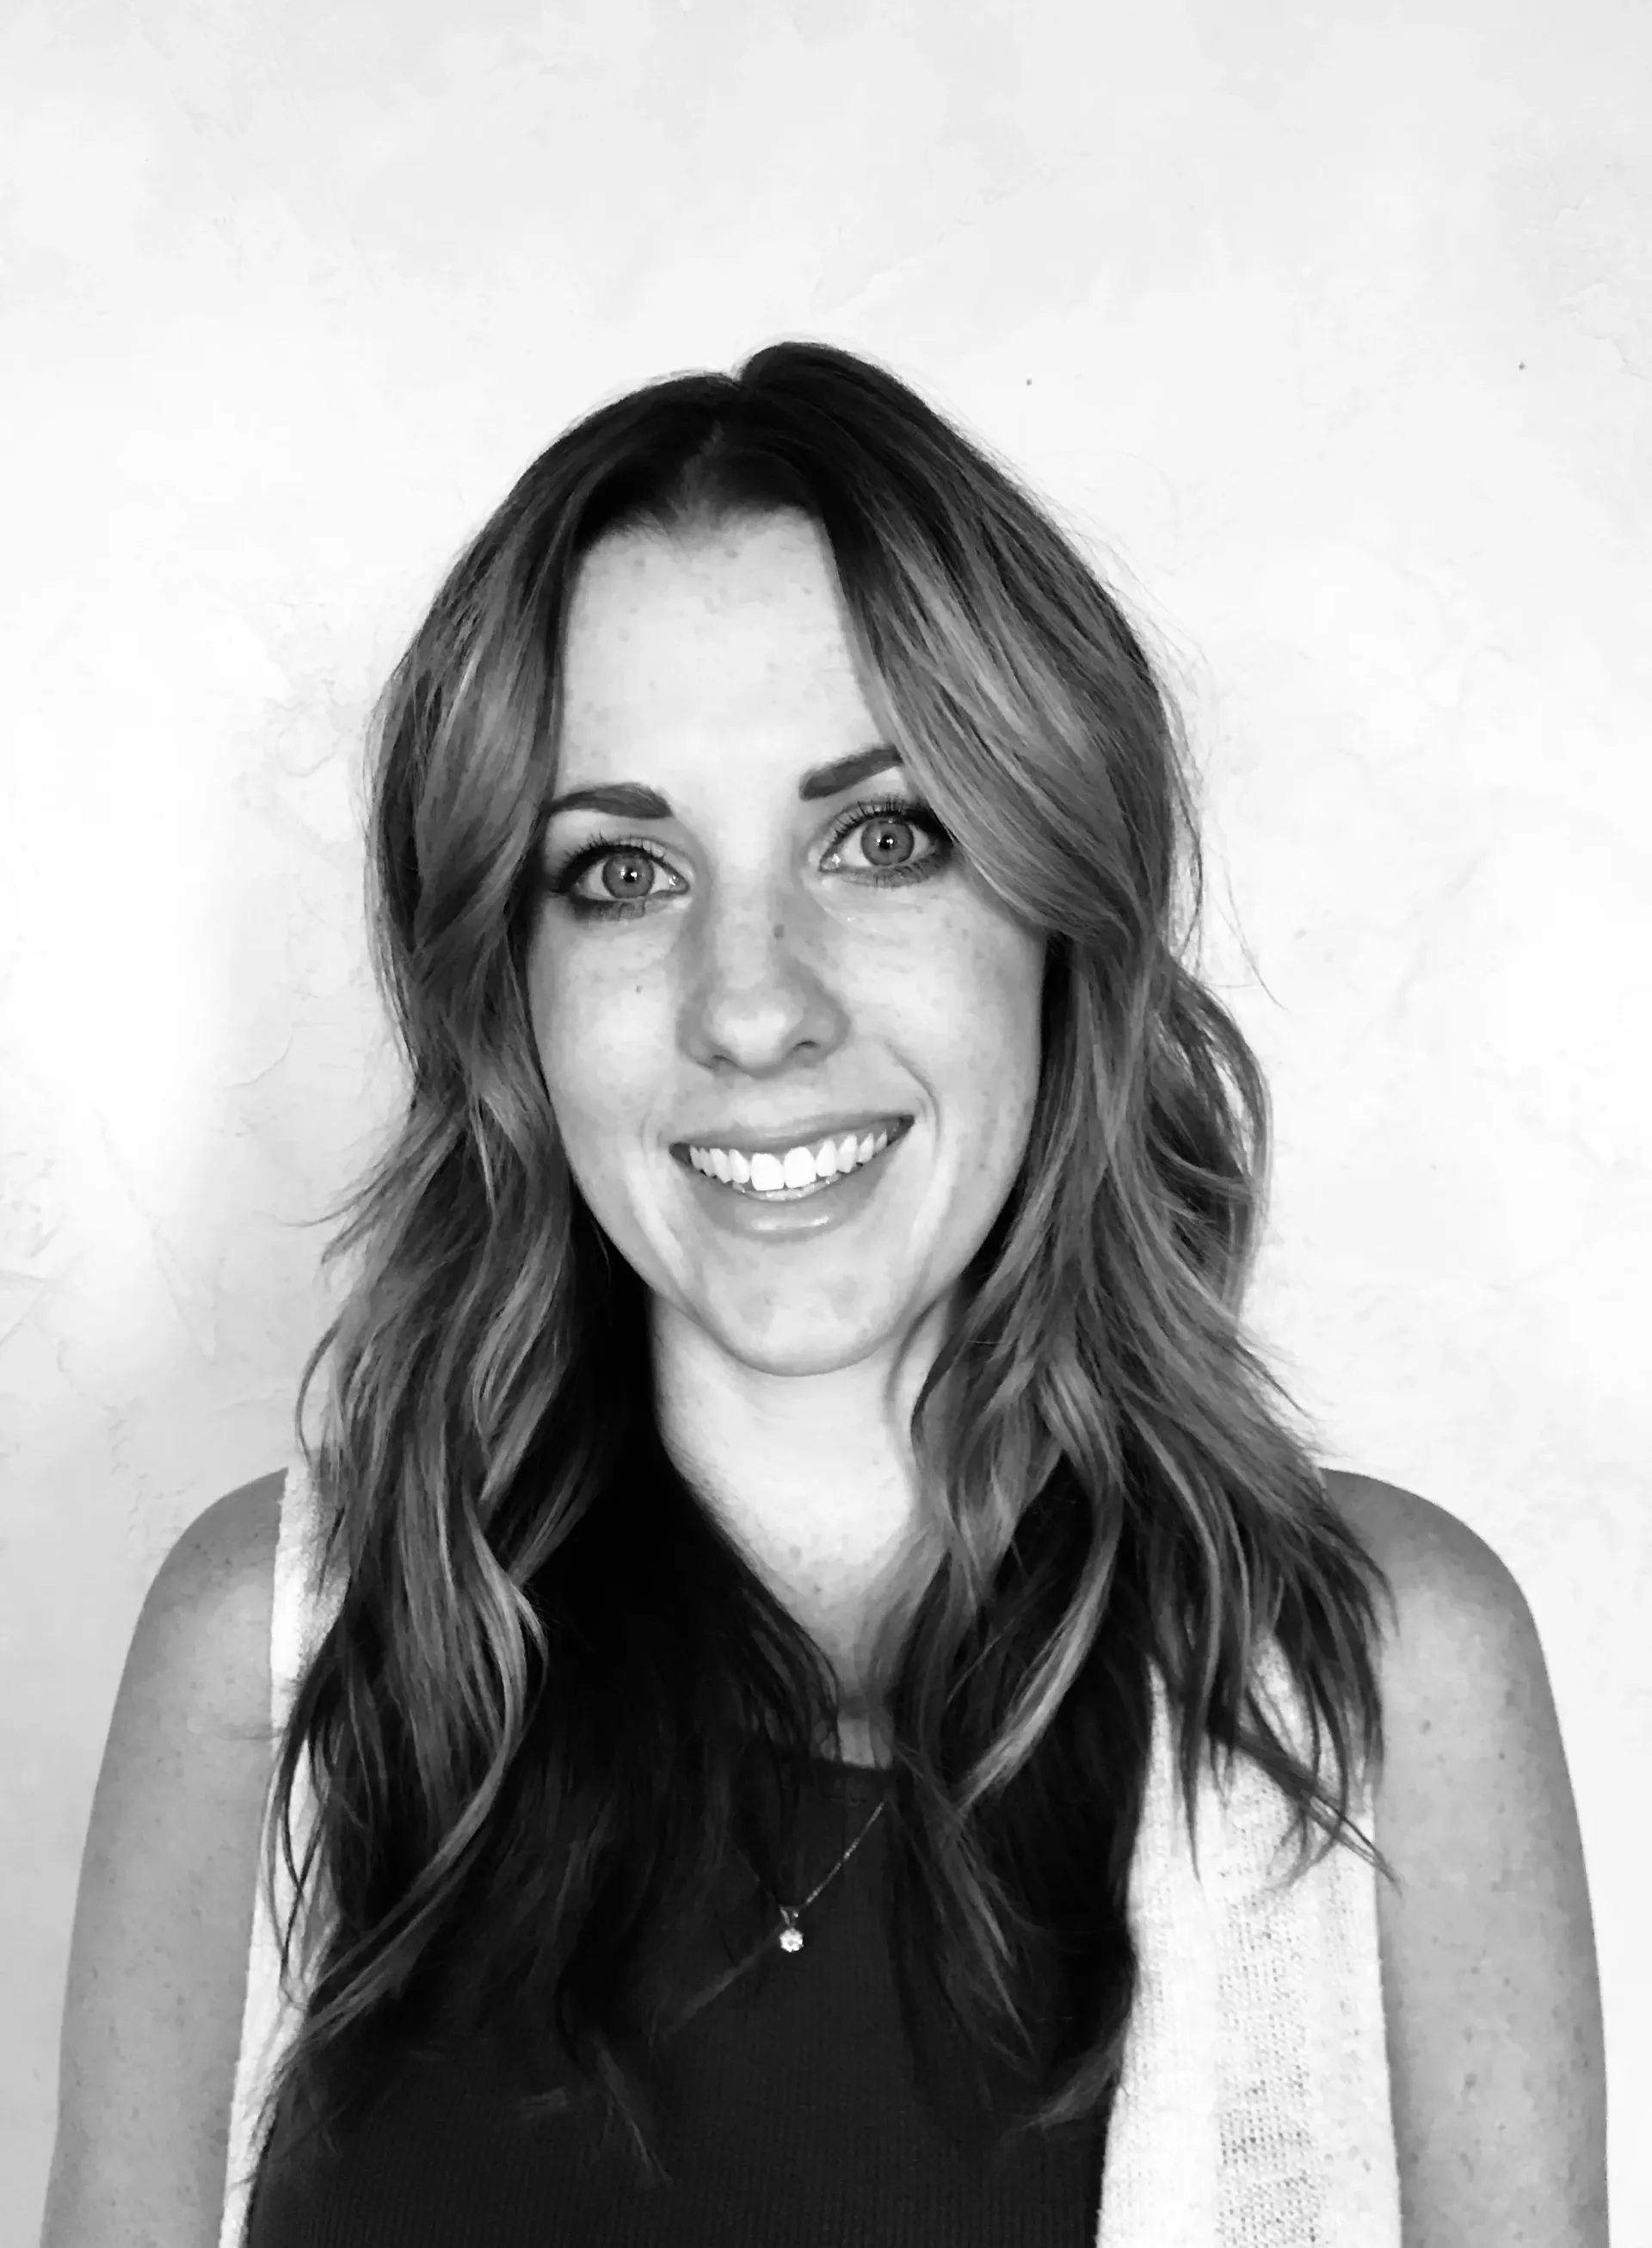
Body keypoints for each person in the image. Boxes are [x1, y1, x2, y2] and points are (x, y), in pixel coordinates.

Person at [42, 341, 1606, 2248]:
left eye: (884, 839)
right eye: (619, 871)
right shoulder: (272, 1661)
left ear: (1061, 905)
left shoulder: (1388, 1685)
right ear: (506, 992)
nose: (754, 1003)